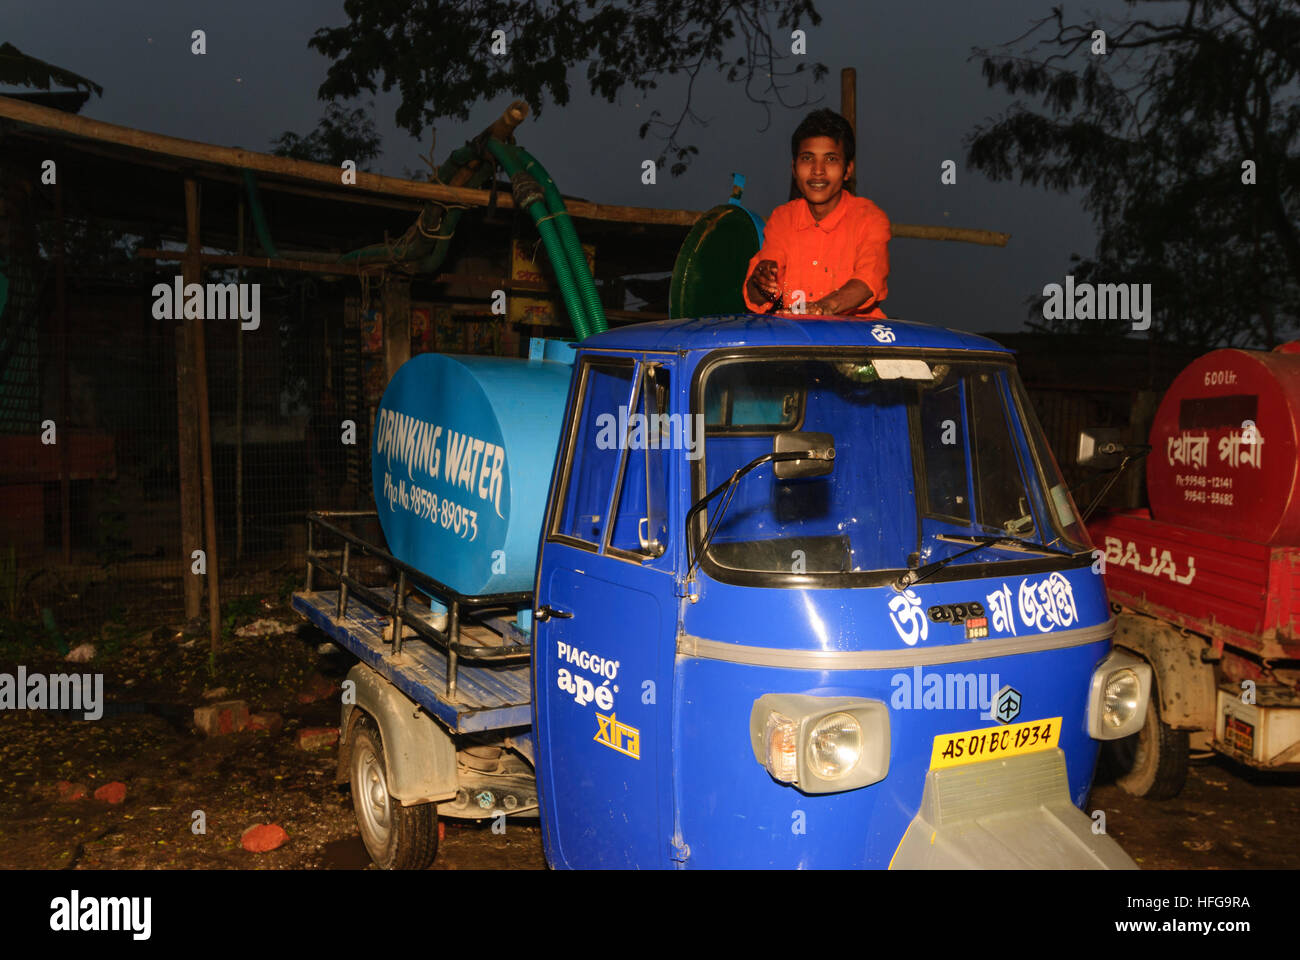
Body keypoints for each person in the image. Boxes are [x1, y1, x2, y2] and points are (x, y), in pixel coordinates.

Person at [743, 109, 890, 318]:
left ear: (848, 170)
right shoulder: (783, 218)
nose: (817, 170)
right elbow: (758, 296)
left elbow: (868, 281)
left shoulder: (870, 218)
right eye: (807, 158)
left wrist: (824, 307)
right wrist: (762, 282)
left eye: (830, 159)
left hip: (857, 340)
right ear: (794, 169)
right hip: (796, 338)